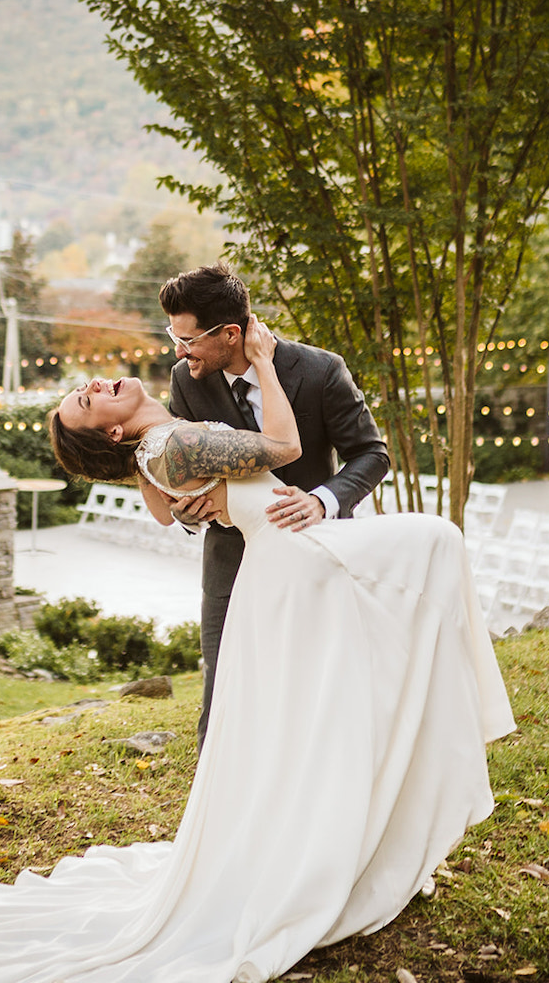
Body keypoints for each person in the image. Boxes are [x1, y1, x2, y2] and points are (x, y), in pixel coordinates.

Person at [0, 315, 515, 983]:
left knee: (354, 670)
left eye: (83, 390)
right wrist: (261, 358)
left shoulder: (159, 443)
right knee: (437, 540)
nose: (90, 383)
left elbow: (164, 512)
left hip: (280, 560)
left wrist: (198, 489)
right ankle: (424, 763)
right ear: (112, 431)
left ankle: (369, 809)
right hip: (297, 555)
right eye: (87, 402)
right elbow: (283, 446)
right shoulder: (174, 442)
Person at [157, 263, 390, 750]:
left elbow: (372, 454)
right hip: (229, 559)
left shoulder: (321, 369)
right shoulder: (187, 378)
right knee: (221, 689)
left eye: (188, 339)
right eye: (172, 336)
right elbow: (183, 468)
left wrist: (323, 501)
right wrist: (183, 511)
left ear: (231, 334)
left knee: (314, 682)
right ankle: (216, 808)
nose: (178, 351)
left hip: (311, 552)